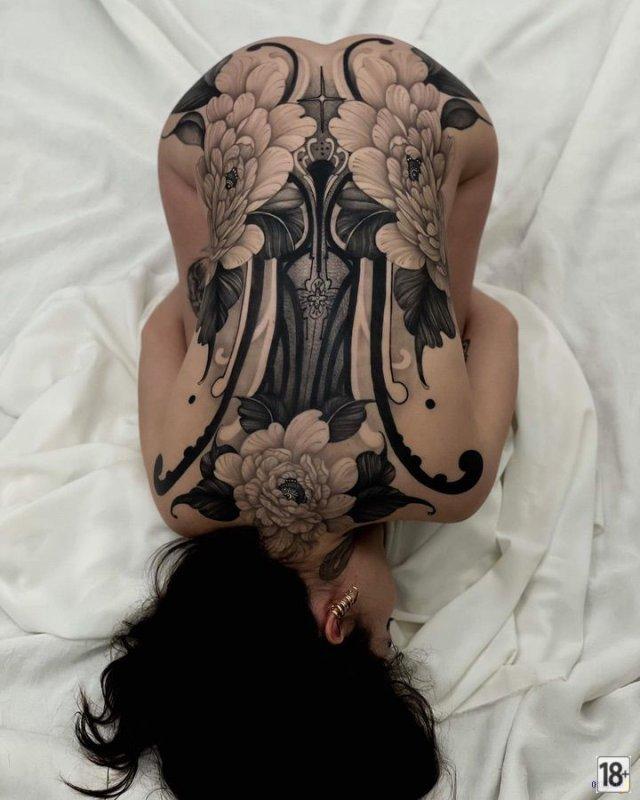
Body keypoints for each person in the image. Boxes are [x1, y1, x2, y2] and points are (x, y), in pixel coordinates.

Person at [65, 33, 518, 799]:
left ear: (337, 622)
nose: (395, 616)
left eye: (386, 637)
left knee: (442, 275)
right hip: (215, 110)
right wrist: (240, 282)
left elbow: (497, 323)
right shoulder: (182, 488)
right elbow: (161, 328)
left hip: (426, 99)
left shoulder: (451, 479)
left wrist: (419, 298)